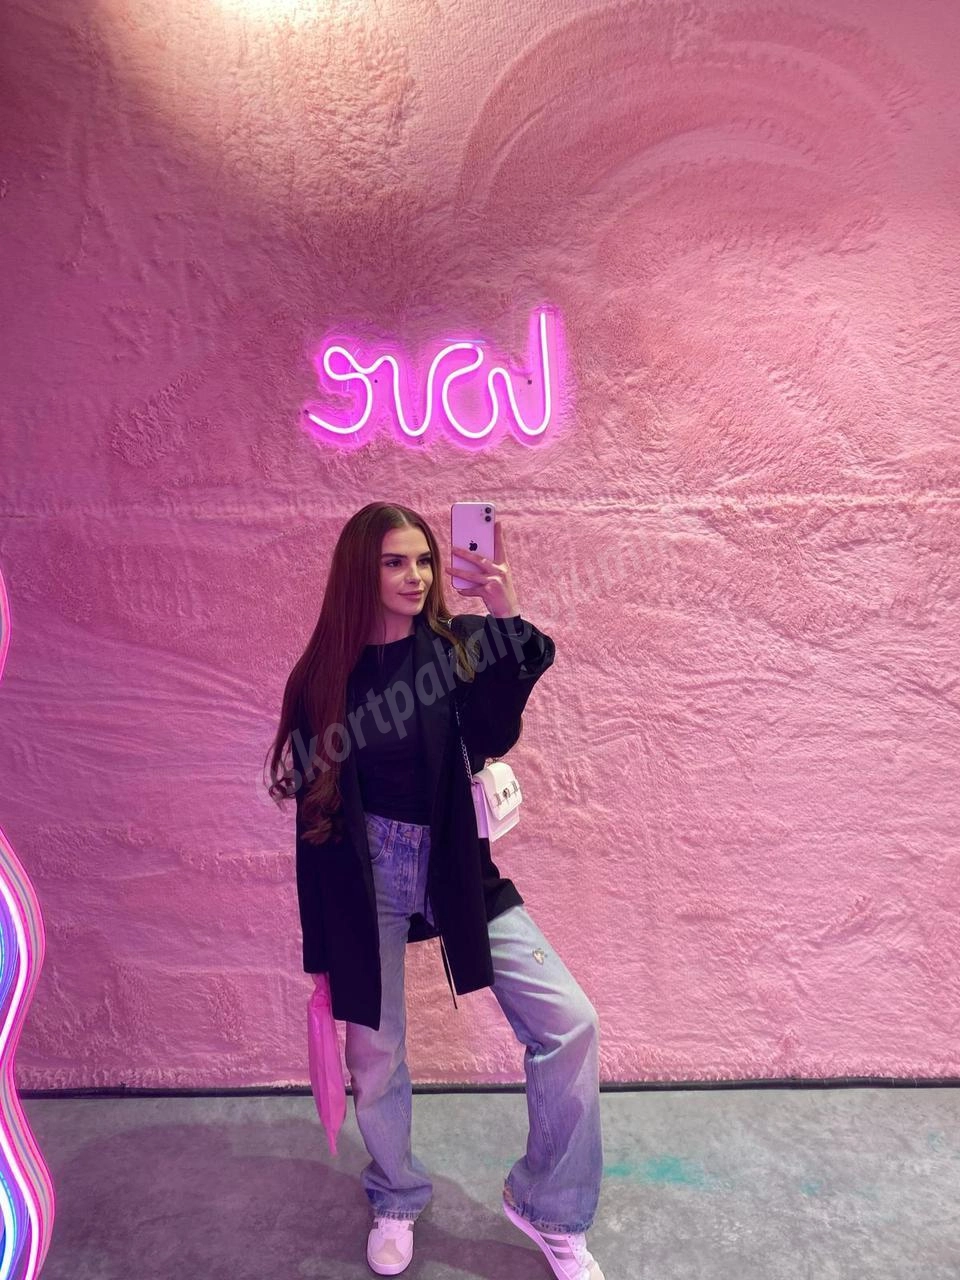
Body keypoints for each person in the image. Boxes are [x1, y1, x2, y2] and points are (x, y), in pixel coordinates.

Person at [268, 501, 604, 1280]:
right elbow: (313, 821)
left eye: (422, 559)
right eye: (395, 561)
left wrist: (505, 611)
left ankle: (549, 1206)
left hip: (454, 862)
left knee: (570, 1022)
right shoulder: (324, 676)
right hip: (367, 876)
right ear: (360, 571)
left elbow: (494, 732)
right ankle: (395, 1195)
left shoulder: (458, 649)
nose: (415, 575)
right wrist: (324, 948)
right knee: (376, 1050)